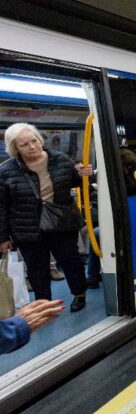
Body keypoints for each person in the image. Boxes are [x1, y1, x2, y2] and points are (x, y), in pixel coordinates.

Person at [0, 123, 93, 312]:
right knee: (36, 268)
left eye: (34, 140)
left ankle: (79, 294)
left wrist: (84, 174)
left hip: (61, 222)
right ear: (15, 148)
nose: (32, 146)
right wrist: (2, 237)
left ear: (39, 139)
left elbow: (76, 182)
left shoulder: (60, 159)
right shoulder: (6, 171)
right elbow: (2, 206)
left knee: (70, 260)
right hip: (27, 226)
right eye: (24, 144)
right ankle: (44, 305)